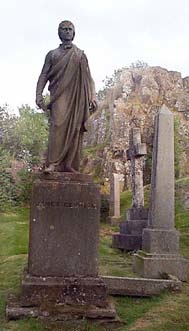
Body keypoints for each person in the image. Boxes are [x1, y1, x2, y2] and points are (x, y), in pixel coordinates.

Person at [36, 20, 97, 173]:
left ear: (74, 33)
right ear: (59, 32)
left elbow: (89, 78)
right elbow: (43, 75)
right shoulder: (52, 54)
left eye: (70, 29)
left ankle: (70, 164)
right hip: (59, 96)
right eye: (64, 29)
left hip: (77, 97)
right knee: (57, 126)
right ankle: (53, 163)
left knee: (75, 129)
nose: (67, 31)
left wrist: (93, 96)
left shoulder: (80, 55)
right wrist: (38, 95)